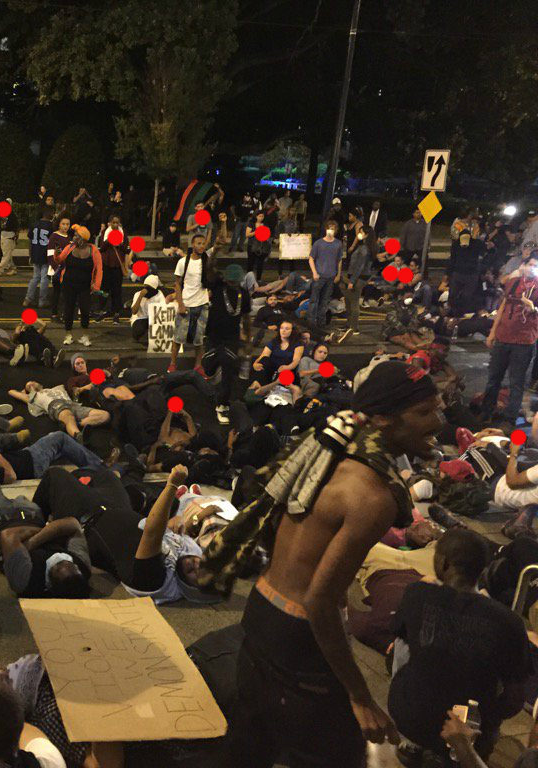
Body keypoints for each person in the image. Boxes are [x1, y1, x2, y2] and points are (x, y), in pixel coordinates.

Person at [208, 361, 445, 767]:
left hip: (262, 612)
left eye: (438, 408)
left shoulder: (328, 454)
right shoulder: (374, 497)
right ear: (384, 418)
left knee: (249, 748)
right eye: (424, 412)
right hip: (300, 638)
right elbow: (319, 599)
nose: (438, 420)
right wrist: (360, 696)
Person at [388, 529, 532, 764]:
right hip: (472, 731)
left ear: (443, 562)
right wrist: (487, 719)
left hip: (411, 717)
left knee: (402, 645)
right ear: (483, 569)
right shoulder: (509, 622)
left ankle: (412, 744)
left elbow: (403, 654)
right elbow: (514, 699)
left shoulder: (417, 594)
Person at [0, 469, 91, 598]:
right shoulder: (83, 566)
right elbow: (72, 524)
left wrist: (52, 531)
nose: (62, 558)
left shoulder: (27, 580)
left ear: (50, 583)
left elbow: (8, 535)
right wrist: (29, 543)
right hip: (31, 514)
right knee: (23, 499)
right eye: (69, 563)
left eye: (58, 566)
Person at [480, 256, 538, 425]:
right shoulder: (513, 283)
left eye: (536, 266)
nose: (532, 269)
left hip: (524, 341)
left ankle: (510, 418)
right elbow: (502, 308)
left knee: (516, 381)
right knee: (494, 377)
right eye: (530, 265)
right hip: (503, 337)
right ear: (523, 266)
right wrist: (492, 333)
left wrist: (532, 307)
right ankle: (486, 411)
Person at [203, 264, 252, 425]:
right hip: (213, 337)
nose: (232, 283)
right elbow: (209, 271)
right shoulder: (218, 286)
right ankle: (214, 364)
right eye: (230, 281)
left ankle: (222, 405)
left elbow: (246, 318)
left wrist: (247, 339)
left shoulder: (243, 295)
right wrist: (215, 250)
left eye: (235, 281)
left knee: (228, 368)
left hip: (231, 339)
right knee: (209, 368)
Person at [168, 234, 213, 373]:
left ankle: (198, 365)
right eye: (198, 243)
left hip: (202, 304)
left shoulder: (207, 260)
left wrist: (223, 223)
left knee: (199, 339)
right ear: (193, 245)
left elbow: (220, 242)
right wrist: (180, 304)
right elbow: (177, 284)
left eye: (203, 243)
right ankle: (173, 364)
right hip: (187, 304)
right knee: (178, 337)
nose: (201, 246)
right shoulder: (183, 262)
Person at [306, 220, 343, 330]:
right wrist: (314, 273)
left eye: (333, 228)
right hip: (319, 276)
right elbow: (311, 258)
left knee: (325, 301)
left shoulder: (338, 244)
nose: (331, 230)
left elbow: (339, 260)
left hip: (331, 277)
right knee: (314, 300)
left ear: (336, 230)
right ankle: (311, 323)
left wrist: (338, 274)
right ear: (326, 229)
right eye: (329, 228)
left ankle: (321, 323)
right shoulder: (318, 243)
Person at [341, 224, 375, 337]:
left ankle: (354, 327)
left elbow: (359, 266)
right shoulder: (365, 246)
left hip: (358, 278)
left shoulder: (365, 249)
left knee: (354, 302)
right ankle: (349, 324)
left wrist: (352, 281)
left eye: (361, 232)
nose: (358, 234)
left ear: (366, 235)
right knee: (349, 300)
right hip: (356, 276)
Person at [25, 206, 54, 309]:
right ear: (49, 213)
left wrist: (30, 254)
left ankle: (28, 298)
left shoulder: (34, 224)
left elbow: (30, 240)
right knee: (44, 278)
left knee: (35, 277)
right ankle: (42, 300)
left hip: (35, 252)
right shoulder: (51, 226)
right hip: (45, 254)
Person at [0, 199, 20, 275]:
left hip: (9, 236)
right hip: (3, 235)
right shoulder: (0, 214)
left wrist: (16, 237)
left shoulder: (12, 215)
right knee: (7, 254)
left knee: (6, 255)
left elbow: (16, 227)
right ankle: (13, 268)